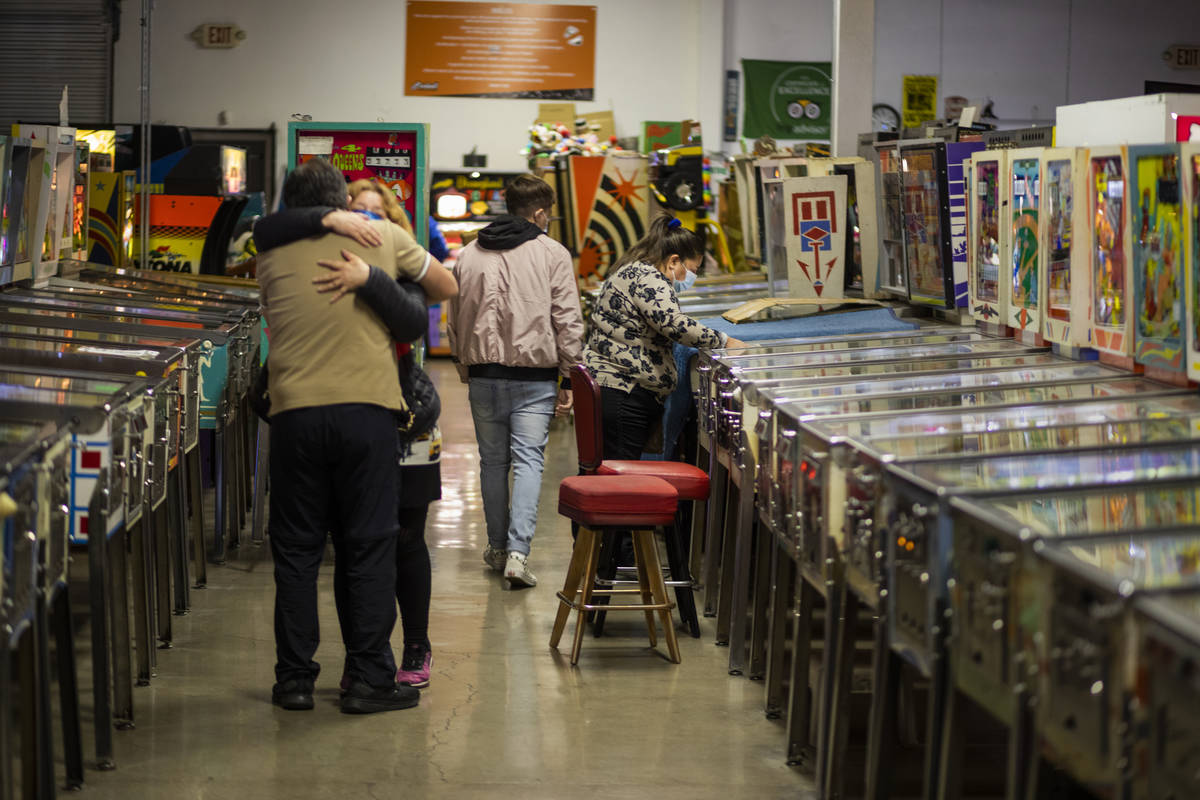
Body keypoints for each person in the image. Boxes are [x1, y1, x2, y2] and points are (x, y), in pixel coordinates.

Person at [254, 157, 455, 715]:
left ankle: (293, 680)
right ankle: (369, 677)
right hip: (366, 413)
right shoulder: (380, 235)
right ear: (339, 202)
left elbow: (267, 227)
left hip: (292, 412)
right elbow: (446, 285)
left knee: (295, 552)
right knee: (367, 545)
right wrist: (384, 276)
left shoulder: (268, 249)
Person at [447, 174, 584, 588]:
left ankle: (496, 547)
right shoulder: (552, 253)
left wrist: (463, 364)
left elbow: (454, 316)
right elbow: (568, 320)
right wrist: (570, 377)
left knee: (492, 462)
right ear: (540, 212)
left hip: (484, 375)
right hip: (535, 379)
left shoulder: (469, 253)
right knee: (528, 462)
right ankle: (518, 555)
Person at [584, 213, 744, 462]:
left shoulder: (633, 270)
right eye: (692, 270)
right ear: (673, 261)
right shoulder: (649, 278)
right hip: (622, 391)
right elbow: (673, 323)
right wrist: (724, 341)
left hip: (612, 388)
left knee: (603, 472)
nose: (693, 277)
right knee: (617, 479)